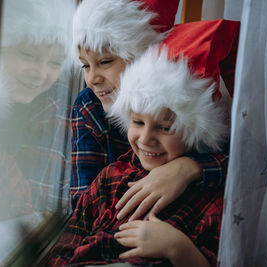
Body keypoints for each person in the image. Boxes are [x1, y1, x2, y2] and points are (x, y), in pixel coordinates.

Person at [45, 19, 239, 266]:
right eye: (136, 122)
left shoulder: (212, 203)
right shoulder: (108, 179)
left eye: (165, 127)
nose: (146, 138)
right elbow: (69, 239)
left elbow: (246, 162)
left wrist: (177, 247)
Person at [70, 0, 236, 223]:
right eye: (85, 66)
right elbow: (83, 203)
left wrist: (188, 168)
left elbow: (245, 161)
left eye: (106, 62)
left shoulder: (185, 101)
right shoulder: (89, 106)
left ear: (142, 55)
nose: (92, 79)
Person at [0, 0, 77, 214]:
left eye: (55, 63)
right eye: (28, 55)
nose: (40, 74)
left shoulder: (56, 104)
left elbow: (35, 211)